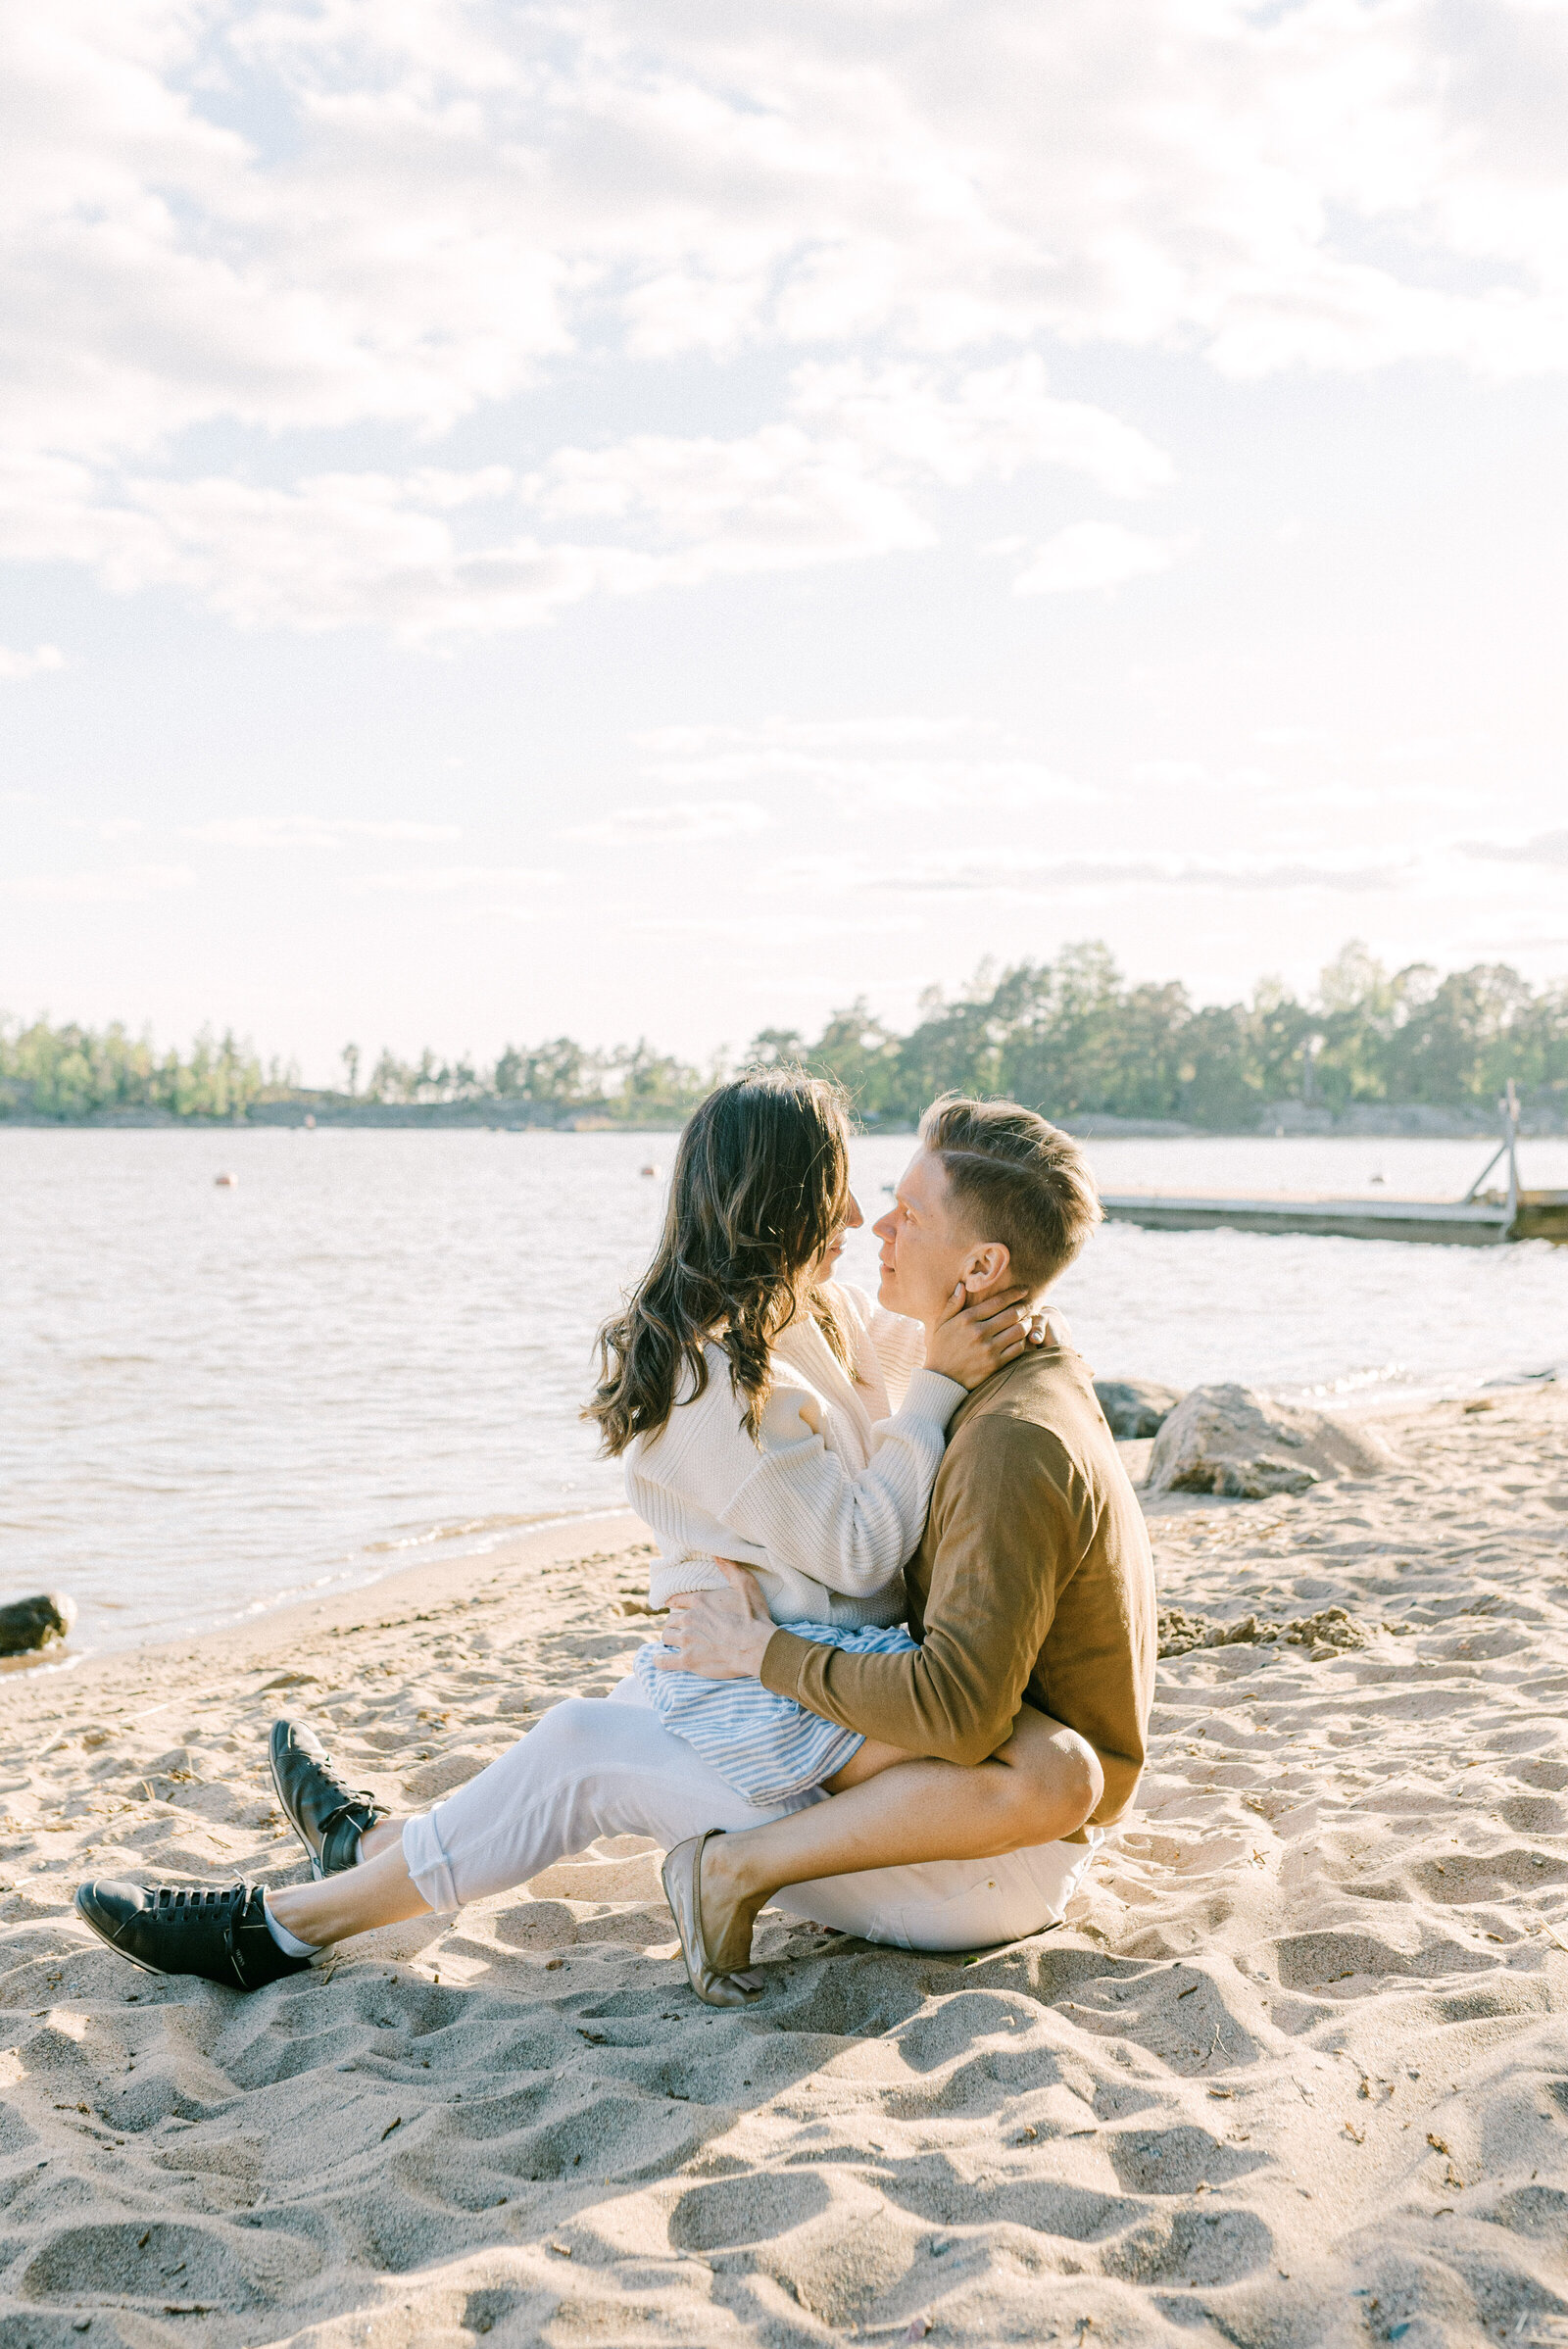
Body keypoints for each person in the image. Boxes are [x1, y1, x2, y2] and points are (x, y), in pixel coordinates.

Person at [74, 1089, 1154, 2007]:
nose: (869, 1220)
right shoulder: (721, 1376)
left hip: (842, 1723)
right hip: (794, 1696)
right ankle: (332, 1888)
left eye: (900, 1210)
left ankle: (304, 1909)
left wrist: (957, 1348)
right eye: (847, 1195)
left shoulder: (832, 1328)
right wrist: (961, 1351)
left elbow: (891, 1429)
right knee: (596, 1734)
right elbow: (880, 1479)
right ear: (779, 1211)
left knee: (590, 1742)